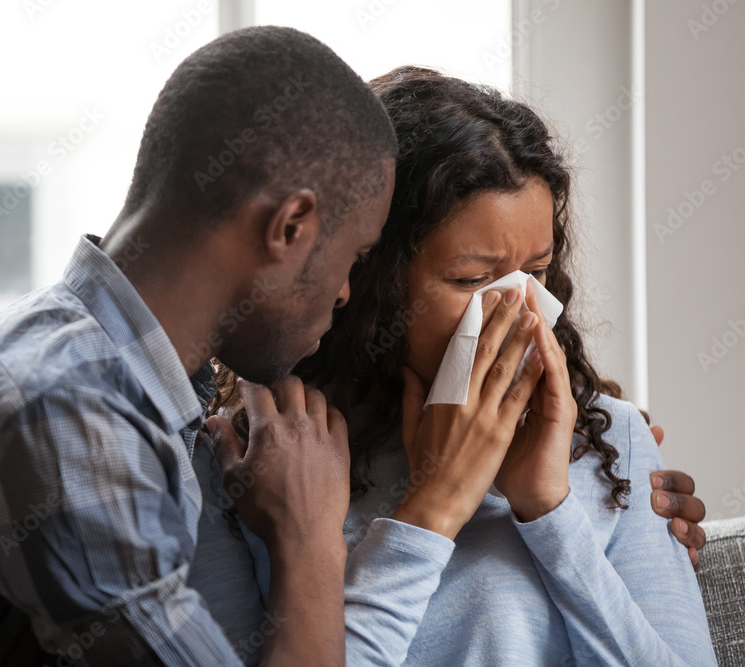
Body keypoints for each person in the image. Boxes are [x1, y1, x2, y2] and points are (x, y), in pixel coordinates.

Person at [0, 26, 400, 665]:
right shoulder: (68, 413)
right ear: (290, 226)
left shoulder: (93, 362)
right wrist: (309, 541)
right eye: (354, 255)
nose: (346, 291)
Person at [202, 66, 716, 665]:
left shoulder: (610, 439)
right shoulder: (264, 461)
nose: (522, 309)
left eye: (538, 271)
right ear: (365, 275)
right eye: (471, 279)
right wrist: (432, 510)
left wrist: (550, 510)